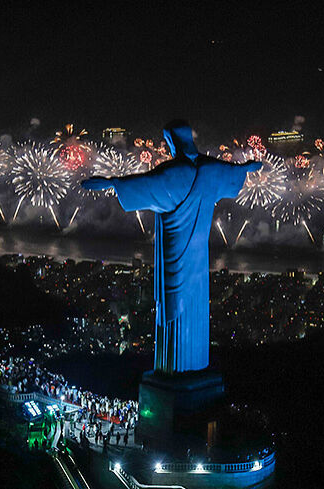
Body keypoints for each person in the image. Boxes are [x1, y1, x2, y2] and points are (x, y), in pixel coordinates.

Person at [82, 120, 261, 374]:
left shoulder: (175, 174)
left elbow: (142, 183)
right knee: (195, 312)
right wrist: (247, 168)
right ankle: (195, 368)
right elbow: (233, 174)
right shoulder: (211, 170)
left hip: (174, 259)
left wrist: (112, 182)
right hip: (199, 265)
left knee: (174, 313)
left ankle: (173, 374)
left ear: (170, 141)